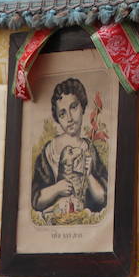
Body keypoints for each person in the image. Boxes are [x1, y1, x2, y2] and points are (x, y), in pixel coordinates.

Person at [31, 77, 108, 220]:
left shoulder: (89, 149)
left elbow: (103, 199)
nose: (70, 118)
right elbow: (35, 201)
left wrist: (89, 175)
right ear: (57, 118)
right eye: (62, 113)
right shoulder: (49, 152)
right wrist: (56, 189)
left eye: (73, 107)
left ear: (83, 106)